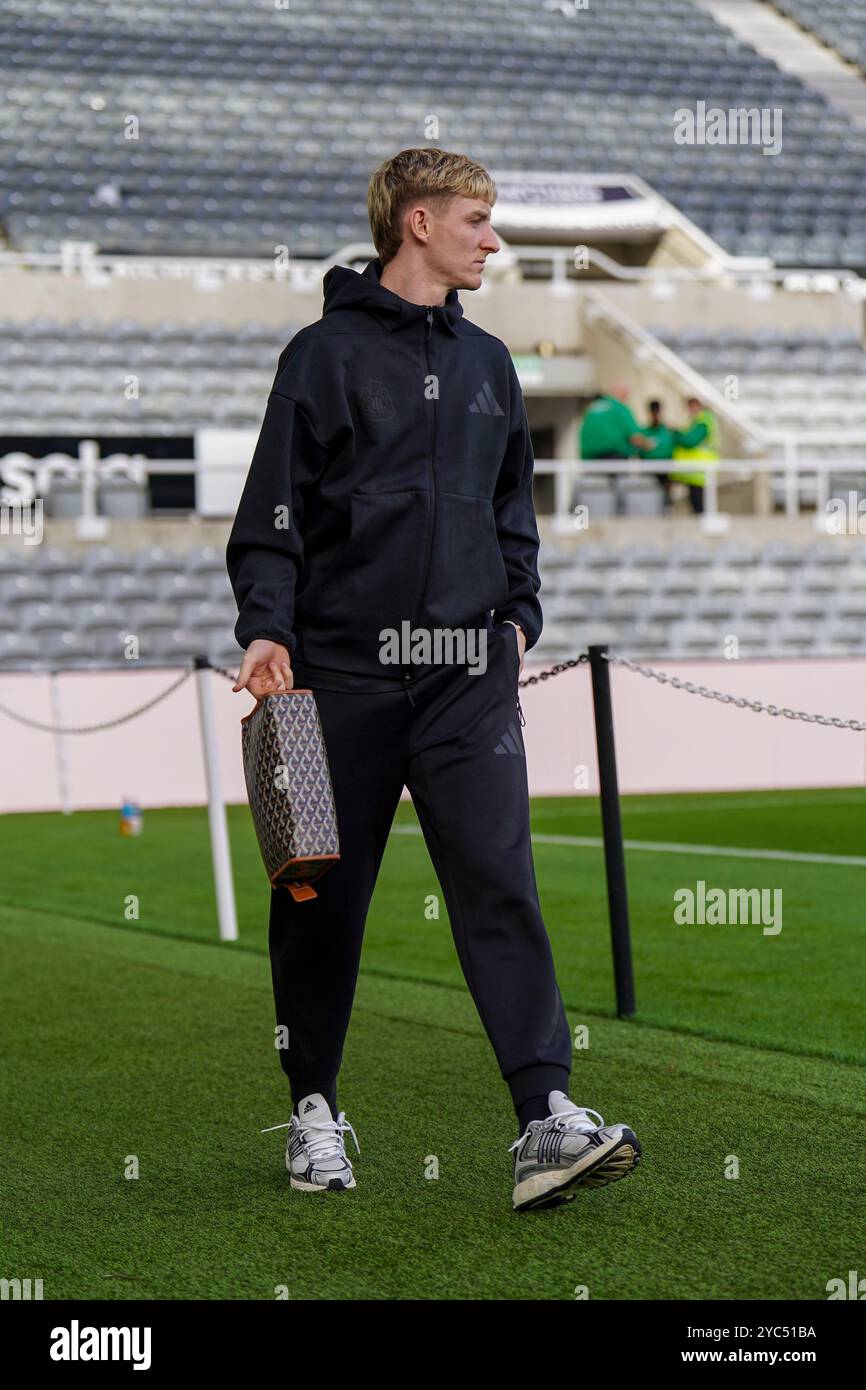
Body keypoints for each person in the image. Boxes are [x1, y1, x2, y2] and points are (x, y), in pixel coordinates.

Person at [226, 147, 641, 1214]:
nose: (490, 239)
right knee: (322, 901)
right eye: (475, 219)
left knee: (499, 879)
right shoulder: (319, 356)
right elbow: (270, 516)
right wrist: (266, 629)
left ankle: (543, 1114)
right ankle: (313, 1107)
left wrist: (515, 617)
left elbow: (513, 515)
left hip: (466, 677)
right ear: (415, 223)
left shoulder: (491, 365)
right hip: (340, 674)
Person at [578, 386, 653, 514]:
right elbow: (635, 437)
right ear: (623, 395)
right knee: (617, 500)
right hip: (614, 458)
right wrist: (650, 445)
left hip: (590, 462)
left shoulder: (592, 409)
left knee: (596, 499)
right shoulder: (620, 408)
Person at [670, 396, 719, 515]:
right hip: (694, 472)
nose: (690, 409)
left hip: (700, 471)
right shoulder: (696, 421)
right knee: (695, 504)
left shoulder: (704, 421)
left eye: (693, 405)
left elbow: (690, 441)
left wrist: (675, 433)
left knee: (700, 507)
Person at [640, 399, 677, 513]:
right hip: (648, 468)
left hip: (665, 468)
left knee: (665, 499)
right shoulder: (644, 432)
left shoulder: (668, 431)